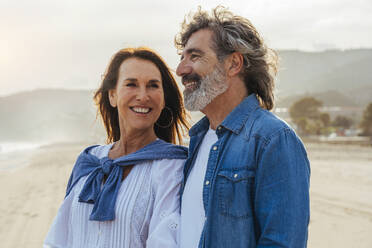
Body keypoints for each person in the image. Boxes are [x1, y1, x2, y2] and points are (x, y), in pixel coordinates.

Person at [175, 6, 310, 248]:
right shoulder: (196, 140)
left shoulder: (274, 139)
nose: (181, 70)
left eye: (194, 57)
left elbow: (282, 242)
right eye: (182, 58)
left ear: (233, 64)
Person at [44, 47, 189, 248]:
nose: (142, 95)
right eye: (131, 84)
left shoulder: (171, 167)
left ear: (163, 99)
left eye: (153, 86)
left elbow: (164, 241)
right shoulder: (90, 161)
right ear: (112, 95)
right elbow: (57, 239)